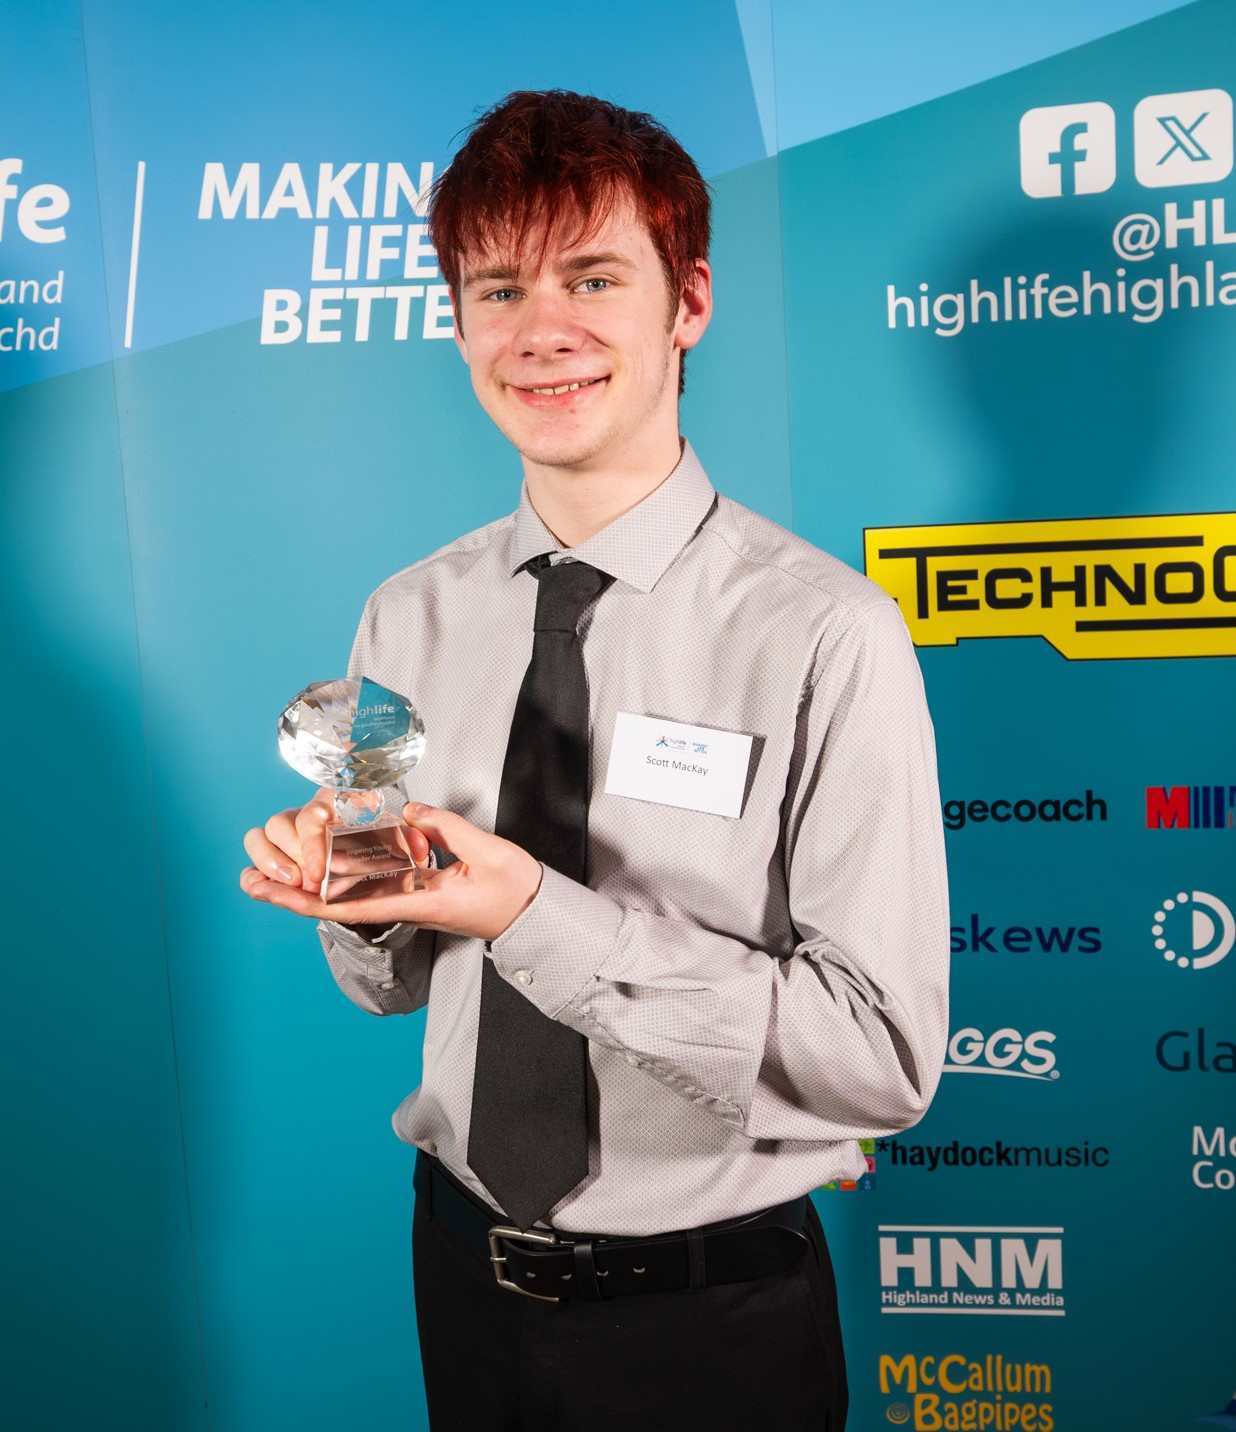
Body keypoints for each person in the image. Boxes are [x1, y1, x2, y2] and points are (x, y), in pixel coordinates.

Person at [240, 88, 949, 1431]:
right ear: (455, 321)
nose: (540, 331)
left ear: (688, 303)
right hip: (457, 1277)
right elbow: (390, 990)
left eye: (594, 277)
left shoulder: (824, 633)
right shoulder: (411, 613)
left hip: (713, 1322)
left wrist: (530, 910)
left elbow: (879, 1061)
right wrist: (357, 891)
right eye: (496, 287)